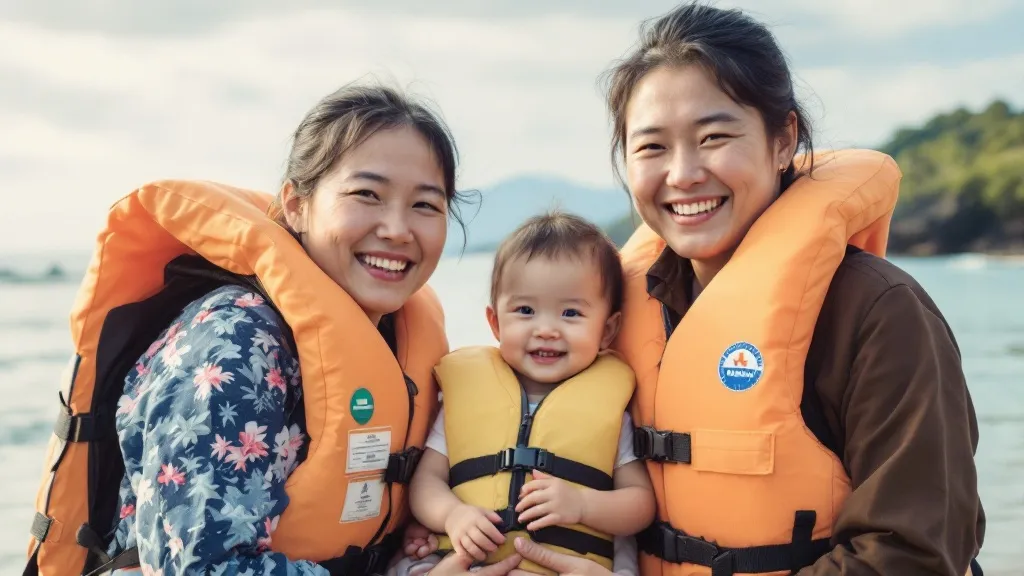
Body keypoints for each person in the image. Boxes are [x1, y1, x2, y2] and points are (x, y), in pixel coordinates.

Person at [518, 3, 985, 576]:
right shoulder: (613, 310)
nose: (684, 174)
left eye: (714, 136)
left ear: (783, 139)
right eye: (651, 147)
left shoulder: (879, 312)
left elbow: (913, 553)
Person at [23, 83, 493, 576]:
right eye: (366, 195)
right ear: (295, 205)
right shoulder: (234, 340)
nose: (398, 229)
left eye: (425, 205)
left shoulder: (396, 340)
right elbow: (201, 568)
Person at [395, 213, 656, 576]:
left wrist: (582, 504)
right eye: (525, 311)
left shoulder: (611, 412)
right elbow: (426, 482)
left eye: (570, 313)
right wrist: (453, 514)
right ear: (496, 323)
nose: (546, 329)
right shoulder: (466, 399)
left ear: (607, 330)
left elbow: (640, 504)